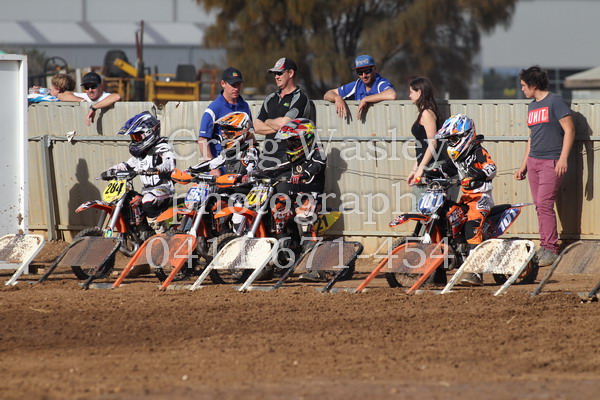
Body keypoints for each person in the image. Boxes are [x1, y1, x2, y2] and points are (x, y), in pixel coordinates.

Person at [514, 66, 575, 266]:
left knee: (544, 204)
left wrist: (563, 158)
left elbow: (569, 130)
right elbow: (531, 138)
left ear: (533, 85)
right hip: (534, 161)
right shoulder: (532, 106)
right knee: (539, 206)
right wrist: (523, 166)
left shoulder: (555, 101)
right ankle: (545, 246)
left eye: (524, 85)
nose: (522, 89)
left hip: (552, 161)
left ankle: (550, 249)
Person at [255, 118, 327, 282]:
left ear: (306, 139)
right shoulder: (292, 155)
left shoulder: (318, 152)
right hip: (293, 196)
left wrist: (303, 174)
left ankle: (317, 270)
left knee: (304, 222)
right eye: (289, 142)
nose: (290, 145)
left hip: (311, 195)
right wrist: (261, 173)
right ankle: (275, 261)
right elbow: (280, 166)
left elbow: (316, 166)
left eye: (294, 142)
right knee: (276, 212)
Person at [435, 114, 497, 286]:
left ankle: (476, 273)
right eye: (449, 139)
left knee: (471, 228)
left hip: (481, 198)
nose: (451, 142)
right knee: (449, 221)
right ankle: (438, 272)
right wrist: (432, 173)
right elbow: (448, 169)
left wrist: (477, 175)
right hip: (466, 198)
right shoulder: (458, 156)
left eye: (453, 138)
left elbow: (491, 168)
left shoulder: (478, 151)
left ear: (466, 135)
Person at [101, 112, 176, 234]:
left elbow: (170, 163)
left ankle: (162, 233)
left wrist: (158, 168)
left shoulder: (162, 147)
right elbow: (126, 165)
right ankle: (140, 231)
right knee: (129, 200)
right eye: (133, 138)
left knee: (147, 201)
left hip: (164, 188)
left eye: (137, 137)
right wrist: (110, 171)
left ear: (149, 133)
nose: (135, 141)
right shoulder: (141, 154)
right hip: (146, 190)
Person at [254, 57, 312, 170]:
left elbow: (284, 124)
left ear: (290, 73)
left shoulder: (300, 98)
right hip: (267, 157)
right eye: (275, 74)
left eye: (280, 73)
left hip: (289, 159)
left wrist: (267, 121)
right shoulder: (270, 98)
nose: (276, 76)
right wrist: (279, 126)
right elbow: (256, 127)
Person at [197, 67, 252, 175]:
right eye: (233, 85)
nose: (236, 88)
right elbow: (202, 139)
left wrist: (252, 160)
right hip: (220, 169)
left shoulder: (245, 107)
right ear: (223, 83)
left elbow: (249, 135)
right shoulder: (213, 109)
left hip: (240, 167)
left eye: (238, 84)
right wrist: (212, 167)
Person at [323, 55, 396, 120]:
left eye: (367, 71)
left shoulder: (380, 83)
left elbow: (392, 95)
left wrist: (366, 99)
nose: (364, 76)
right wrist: (337, 98)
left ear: (374, 69)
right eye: (360, 72)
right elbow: (327, 94)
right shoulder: (357, 85)